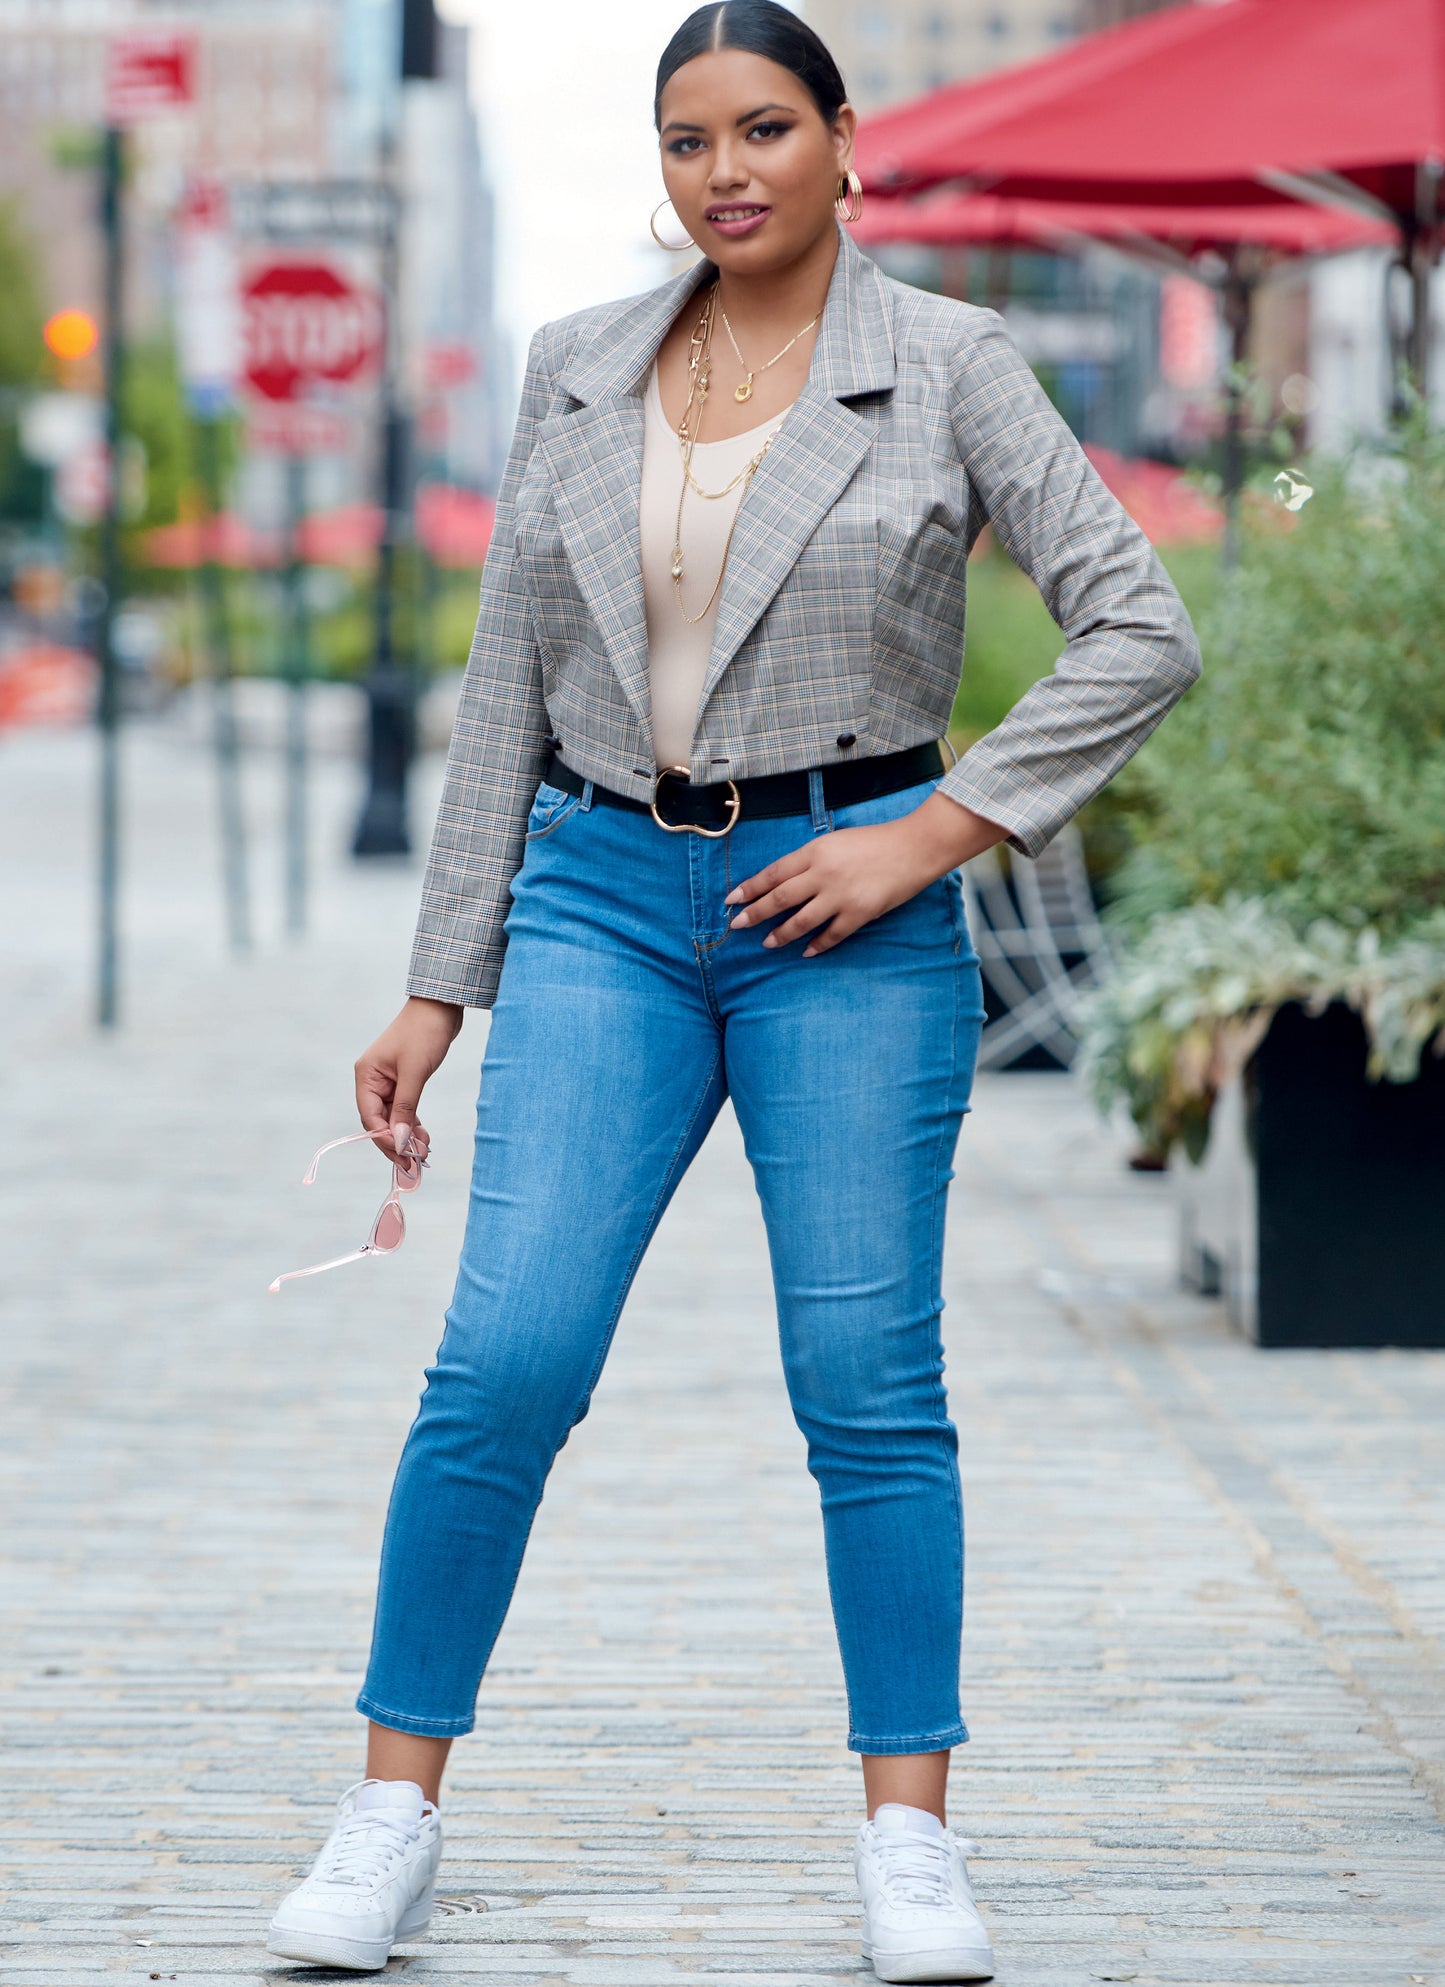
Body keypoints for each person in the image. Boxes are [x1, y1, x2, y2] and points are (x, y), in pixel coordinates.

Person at [265, 3, 1201, 1978]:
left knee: (868, 1387)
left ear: (843, 138)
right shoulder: (576, 365)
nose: (727, 172)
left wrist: (931, 834)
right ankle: (386, 1816)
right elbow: (507, 687)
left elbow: (1138, 624)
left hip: (845, 912)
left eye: (764, 128)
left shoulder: (946, 362)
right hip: (601, 897)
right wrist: (438, 986)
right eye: (688, 141)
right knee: (506, 1358)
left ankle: (909, 1842)